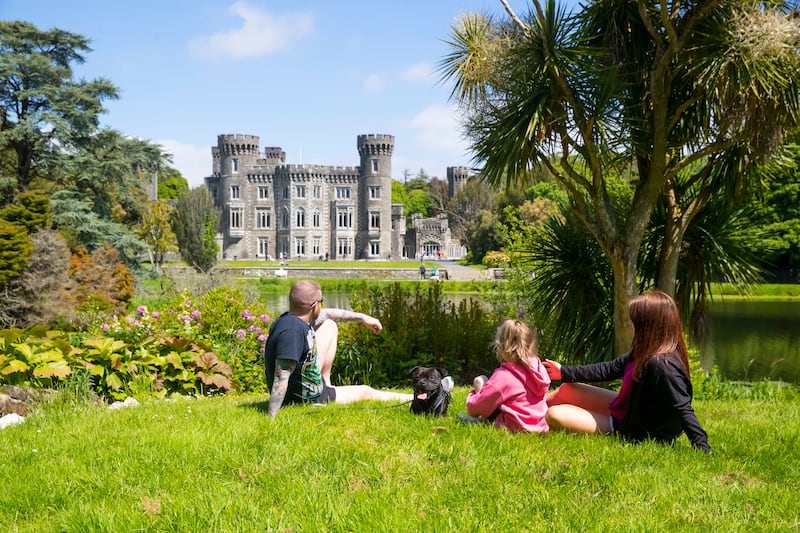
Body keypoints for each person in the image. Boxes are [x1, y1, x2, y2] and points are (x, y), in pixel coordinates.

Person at [544, 290, 711, 452]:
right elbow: (610, 369)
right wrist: (564, 372)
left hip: (631, 428)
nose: (631, 324)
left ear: (648, 325)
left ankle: (528, 418)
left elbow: (683, 408)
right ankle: (524, 408)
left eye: (635, 320)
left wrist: (702, 447)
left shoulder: (663, 367)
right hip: (628, 410)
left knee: (555, 415)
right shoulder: (644, 349)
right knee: (567, 389)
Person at [264, 280, 412, 418]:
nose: (322, 306)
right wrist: (272, 416)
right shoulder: (293, 332)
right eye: (322, 301)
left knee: (329, 325)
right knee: (366, 391)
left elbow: (328, 314)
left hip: (303, 385)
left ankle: (326, 384)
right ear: (315, 305)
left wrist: (363, 318)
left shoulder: (289, 320)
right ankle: (413, 398)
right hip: (306, 398)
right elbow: (281, 375)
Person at [464, 319, 550, 433]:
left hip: (514, 426)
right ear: (531, 343)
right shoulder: (540, 369)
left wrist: (476, 392)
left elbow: (473, 409)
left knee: (481, 380)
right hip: (541, 426)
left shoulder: (504, 376)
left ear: (503, 346)